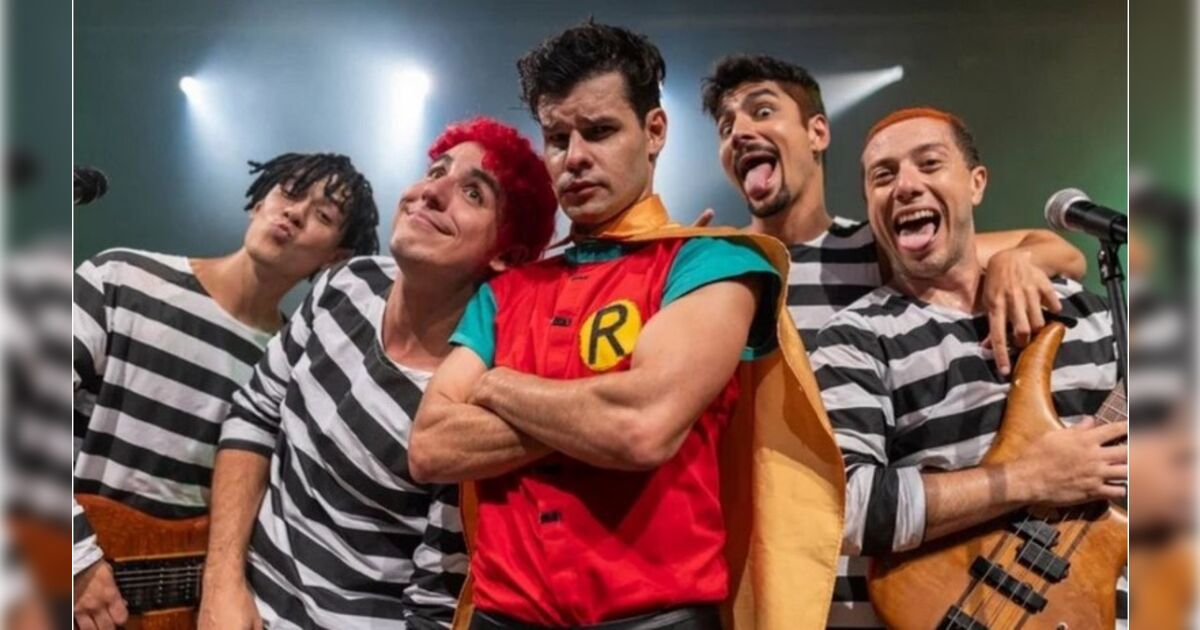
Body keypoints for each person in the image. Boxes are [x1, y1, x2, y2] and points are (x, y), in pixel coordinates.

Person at [411, 21, 843, 630]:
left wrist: (494, 384)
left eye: (600, 131)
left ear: (654, 131)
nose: (575, 158)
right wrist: (595, 411)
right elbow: (431, 445)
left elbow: (641, 428)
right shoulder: (505, 292)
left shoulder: (714, 263)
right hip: (500, 617)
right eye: (557, 138)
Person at [700, 57, 1090, 628]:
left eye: (762, 111)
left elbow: (1065, 253)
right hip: (762, 570)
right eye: (725, 125)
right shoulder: (721, 266)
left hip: (876, 574)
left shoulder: (877, 244)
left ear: (817, 132)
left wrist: (1016, 261)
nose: (740, 131)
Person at [198, 117, 558, 630]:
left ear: (507, 254)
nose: (432, 192)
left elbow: (434, 609)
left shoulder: (470, 405)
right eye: (437, 171)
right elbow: (254, 416)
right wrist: (221, 584)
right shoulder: (348, 282)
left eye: (473, 193)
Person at [810, 107, 1122, 627]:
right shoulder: (856, 339)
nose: (906, 185)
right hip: (967, 609)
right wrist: (1029, 478)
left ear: (976, 184)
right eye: (883, 176)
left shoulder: (1084, 311)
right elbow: (844, 511)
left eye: (929, 163)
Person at [72, 153, 379, 630]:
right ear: (258, 203)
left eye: (323, 215)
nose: (295, 212)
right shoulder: (119, 279)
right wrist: (77, 559)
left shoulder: (294, 368)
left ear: (335, 258)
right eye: (289, 191)